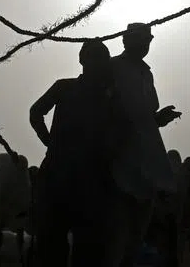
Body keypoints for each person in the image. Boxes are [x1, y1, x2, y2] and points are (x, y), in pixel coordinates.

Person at [29, 39, 129, 266]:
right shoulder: (67, 88)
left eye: (101, 58)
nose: (98, 64)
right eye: (94, 57)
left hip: (86, 179)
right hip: (65, 177)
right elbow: (35, 113)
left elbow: (124, 130)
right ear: (83, 61)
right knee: (55, 245)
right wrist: (50, 143)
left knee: (84, 248)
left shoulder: (109, 97)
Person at [105, 23, 181, 267]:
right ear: (126, 41)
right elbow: (105, 108)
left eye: (147, 41)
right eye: (139, 40)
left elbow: (148, 113)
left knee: (136, 235)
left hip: (145, 159)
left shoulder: (146, 73)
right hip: (116, 157)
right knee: (115, 233)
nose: (144, 45)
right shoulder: (112, 68)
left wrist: (158, 120)